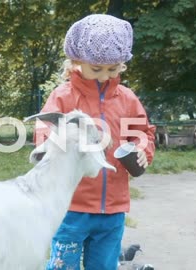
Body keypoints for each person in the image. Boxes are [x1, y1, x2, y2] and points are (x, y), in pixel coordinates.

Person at [36, 14, 156, 270]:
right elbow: (45, 133)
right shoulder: (63, 97)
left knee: (103, 266)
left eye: (113, 69)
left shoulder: (127, 99)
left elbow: (141, 133)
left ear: (122, 64)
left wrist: (142, 149)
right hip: (71, 205)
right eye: (96, 69)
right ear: (76, 62)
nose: (104, 76)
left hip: (113, 208)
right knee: (62, 266)